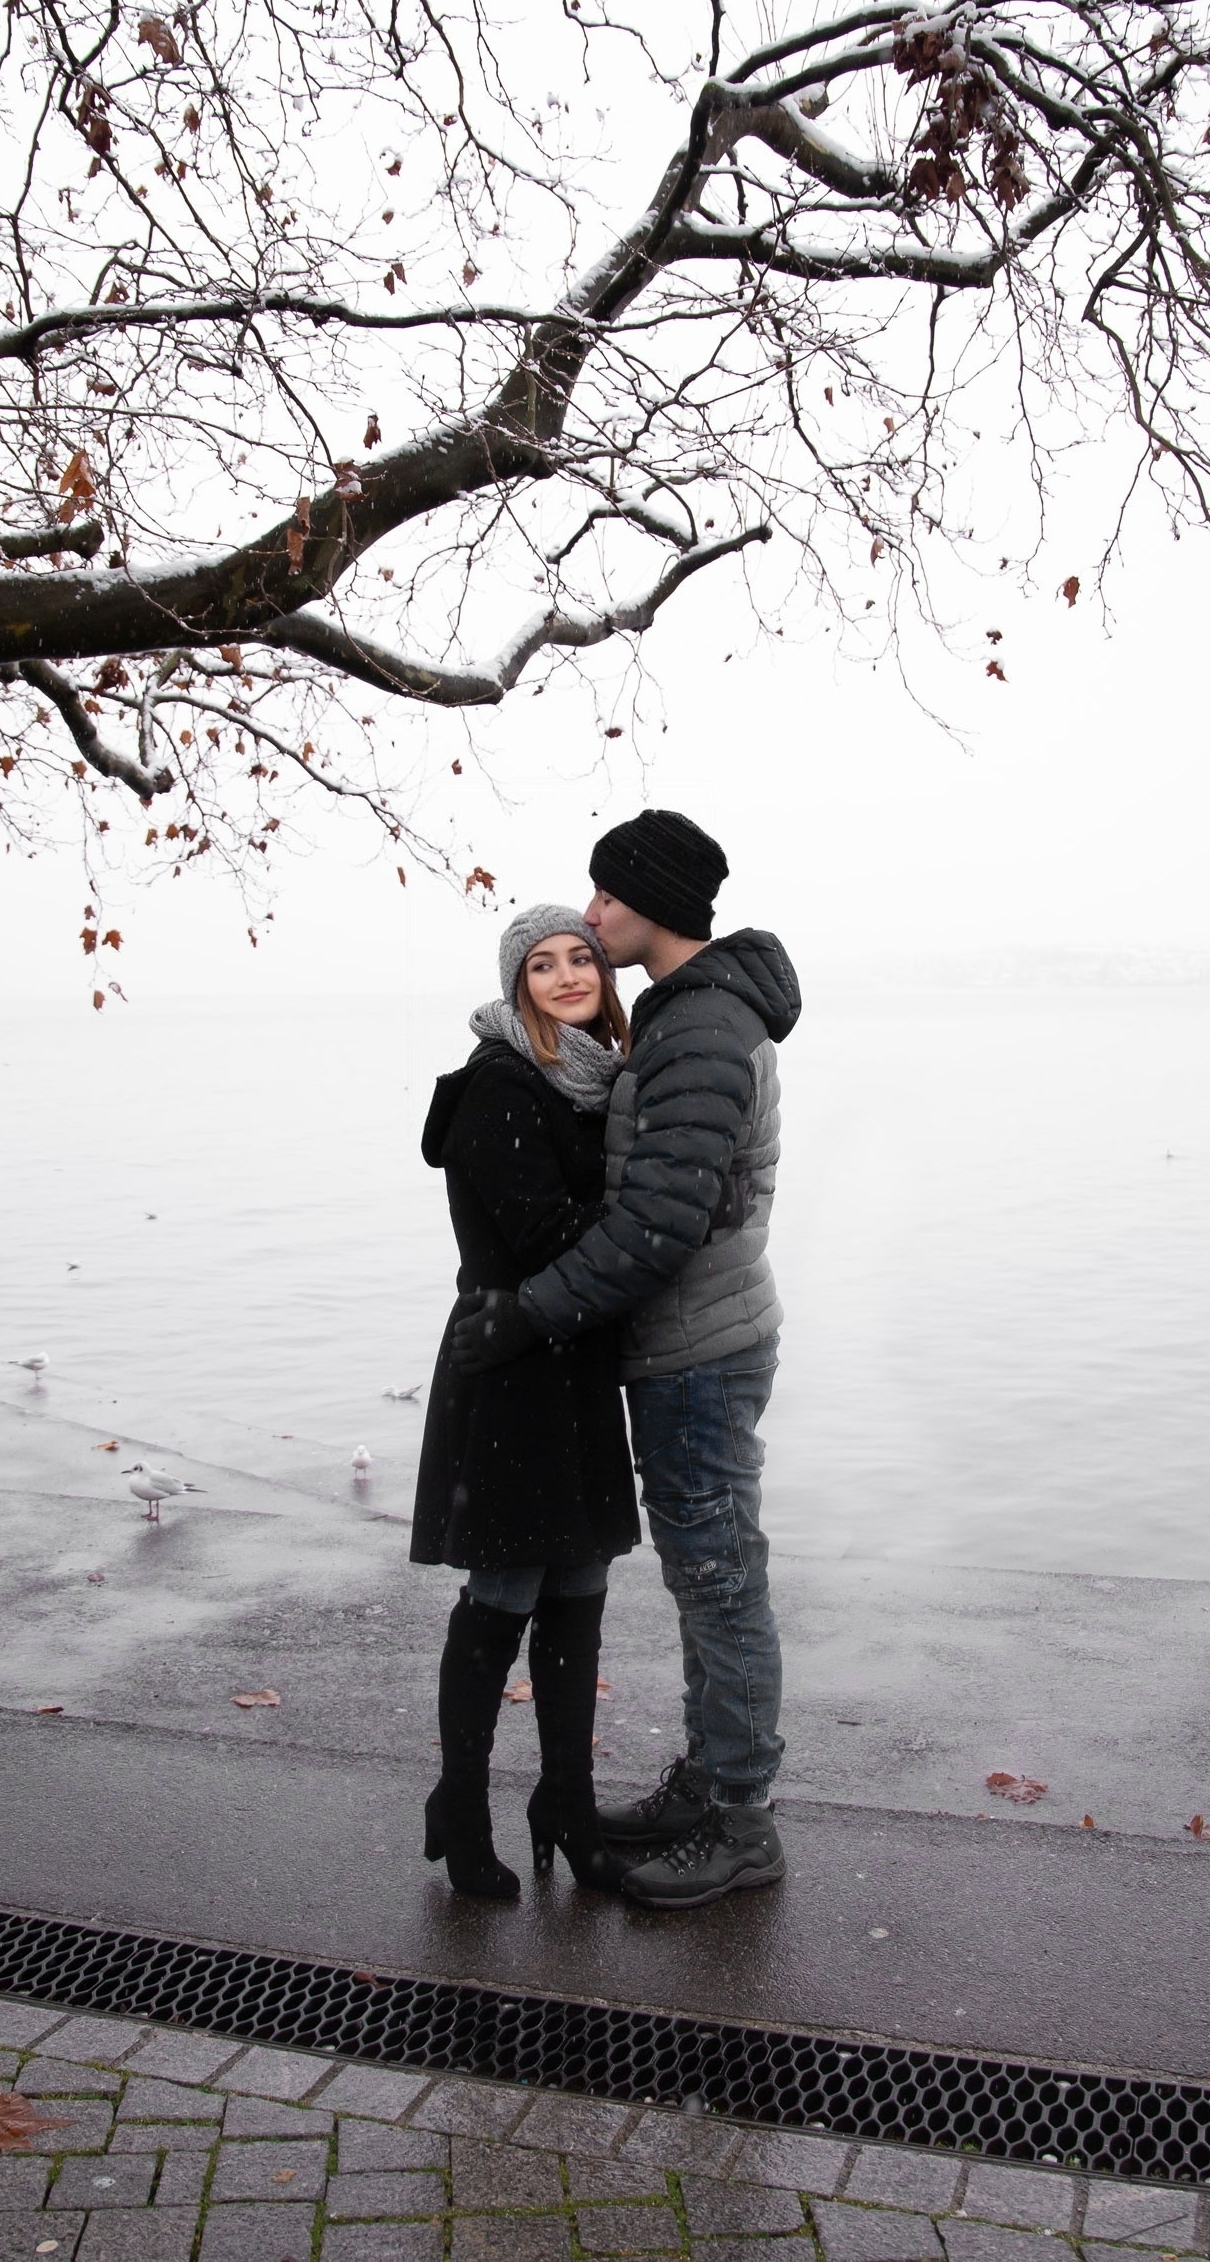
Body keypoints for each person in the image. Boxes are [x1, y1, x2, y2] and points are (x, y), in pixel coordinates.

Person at [451, 811, 801, 1910]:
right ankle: (708, 1785)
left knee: (720, 1583)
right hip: (690, 1341)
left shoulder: (699, 1029)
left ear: (652, 900)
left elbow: (660, 1221)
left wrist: (528, 1313)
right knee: (707, 1580)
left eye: (605, 896)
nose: (593, 915)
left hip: (699, 1350)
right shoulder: (683, 1012)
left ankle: (740, 1819)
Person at [411, 903, 640, 1900]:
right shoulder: (501, 1084)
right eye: (541, 964)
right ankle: (462, 1806)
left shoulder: (594, 1082)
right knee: (503, 1594)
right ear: (517, 987)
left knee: (579, 1596)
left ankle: (567, 1804)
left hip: (573, 1363)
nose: (566, 975)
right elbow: (545, 1234)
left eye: (580, 957)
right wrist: (649, 1213)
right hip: (508, 1368)